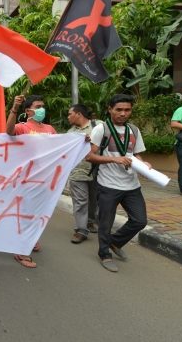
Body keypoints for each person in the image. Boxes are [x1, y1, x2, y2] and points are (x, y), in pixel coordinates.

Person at [86, 94, 150, 273]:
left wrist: (143, 164)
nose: (123, 113)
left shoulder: (134, 130)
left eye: (127, 110)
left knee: (140, 220)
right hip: (108, 184)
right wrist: (115, 160)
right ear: (110, 110)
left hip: (131, 185)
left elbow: (136, 154)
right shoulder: (101, 129)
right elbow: (89, 156)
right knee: (106, 222)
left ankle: (115, 242)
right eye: (119, 109)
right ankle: (104, 253)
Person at [6, 95, 57, 268]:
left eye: (43, 105)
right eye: (38, 106)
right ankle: (21, 250)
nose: (42, 109)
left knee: (39, 212)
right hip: (26, 180)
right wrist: (14, 108)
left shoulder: (50, 128)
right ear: (28, 111)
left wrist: (82, 141)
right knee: (26, 213)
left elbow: (59, 148)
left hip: (46, 180)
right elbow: (9, 132)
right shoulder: (22, 127)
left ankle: (31, 238)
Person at [67, 104, 100, 244]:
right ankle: (81, 230)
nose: (68, 117)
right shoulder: (70, 133)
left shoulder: (99, 126)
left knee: (95, 200)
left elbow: (110, 141)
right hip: (77, 172)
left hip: (98, 170)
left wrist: (91, 140)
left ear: (79, 114)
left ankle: (90, 222)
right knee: (80, 202)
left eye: (70, 114)